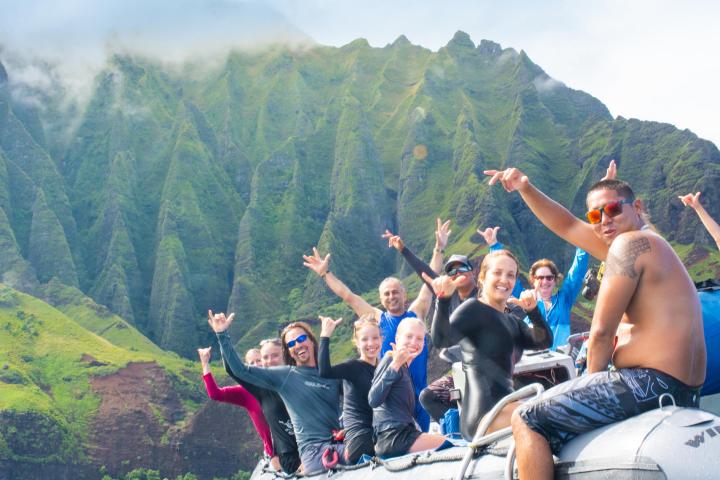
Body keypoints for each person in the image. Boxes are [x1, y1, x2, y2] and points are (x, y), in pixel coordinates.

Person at [485, 168, 706, 480]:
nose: (605, 219)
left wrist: (587, 383)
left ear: (637, 207)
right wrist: (525, 187)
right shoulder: (650, 243)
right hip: (684, 389)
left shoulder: (628, 246)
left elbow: (601, 332)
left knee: (526, 418)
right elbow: (567, 225)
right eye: (595, 215)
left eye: (614, 209)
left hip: (651, 384)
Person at [303, 220, 447, 431]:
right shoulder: (378, 318)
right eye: (387, 294)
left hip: (419, 396)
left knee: (423, 438)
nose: (392, 296)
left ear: (404, 294)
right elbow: (348, 296)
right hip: (392, 397)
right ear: (380, 298)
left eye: (396, 292)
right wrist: (326, 273)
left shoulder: (416, 313)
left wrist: (439, 247)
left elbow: (430, 278)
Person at [426, 250, 553, 440]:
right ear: (483, 277)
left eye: (511, 275)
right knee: (544, 417)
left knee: (555, 410)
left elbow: (543, 341)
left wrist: (533, 311)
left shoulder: (511, 321)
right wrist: (443, 300)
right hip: (483, 417)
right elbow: (441, 340)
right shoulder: (473, 310)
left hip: (506, 406)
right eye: (498, 273)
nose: (504, 279)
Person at [209, 312, 343, 474]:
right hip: (301, 455)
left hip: (336, 443)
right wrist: (222, 335)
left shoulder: (332, 376)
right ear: (289, 351)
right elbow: (237, 370)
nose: (298, 344)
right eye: (292, 343)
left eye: (301, 339)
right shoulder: (282, 377)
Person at [478, 225, 589, 349]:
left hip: (560, 362)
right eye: (540, 278)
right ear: (533, 280)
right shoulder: (525, 298)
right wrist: (494, 245)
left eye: (549, 277)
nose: (545, 281)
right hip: (533, 362)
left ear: (555, 280)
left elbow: (577, 273)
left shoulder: (564, 299)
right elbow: (507, 277)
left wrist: (582, 242)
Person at [368, 317, 447, 458]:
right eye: (409, 336)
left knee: (448, 437)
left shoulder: (404, 367)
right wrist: (396, 363)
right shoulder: (391, 359)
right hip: (394, 437)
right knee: (452, 444)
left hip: (403, 433)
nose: (414, 342)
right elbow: (373, 399)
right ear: (397, 339)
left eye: (419, 338)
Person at [218, 338, 300, 474]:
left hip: (312, 448)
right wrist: (222, 336)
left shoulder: (299, 379)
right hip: (289, 456)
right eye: (266, 357)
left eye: (275, 355)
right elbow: (233, 370)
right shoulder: (261, 389)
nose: (270, 360)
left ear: (285, 354)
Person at [197, 347, 275, 467]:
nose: (256, 364)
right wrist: (205, 363)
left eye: (259, 360)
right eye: (251, 363)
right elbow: (215, 394)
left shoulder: (279, 383)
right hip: (274, 454)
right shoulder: (245, 391)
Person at [318, 314, 379, 463]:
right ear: (357, 343)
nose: (371, 343)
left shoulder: (382, 367)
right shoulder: (353, 367)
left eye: (375, 337)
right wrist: (325, 335)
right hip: (361, 439)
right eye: (364, 339)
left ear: (381, 339)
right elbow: (325, 371)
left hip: (378, 432)